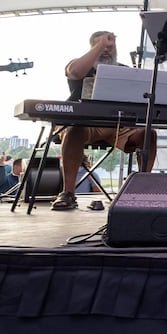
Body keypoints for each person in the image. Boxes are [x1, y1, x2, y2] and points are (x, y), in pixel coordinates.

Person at [51, 30, 156, 211]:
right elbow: (74, 72)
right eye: (102, 46)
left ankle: (142, 189)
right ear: (92, 46)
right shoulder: (79, 65)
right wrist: (99, 46)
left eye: (110, 47)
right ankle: (68, 193)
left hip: (116, 125)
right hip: (84, 124)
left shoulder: (124, 70)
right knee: (75, 129)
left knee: (148, 134)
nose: (107, 50)